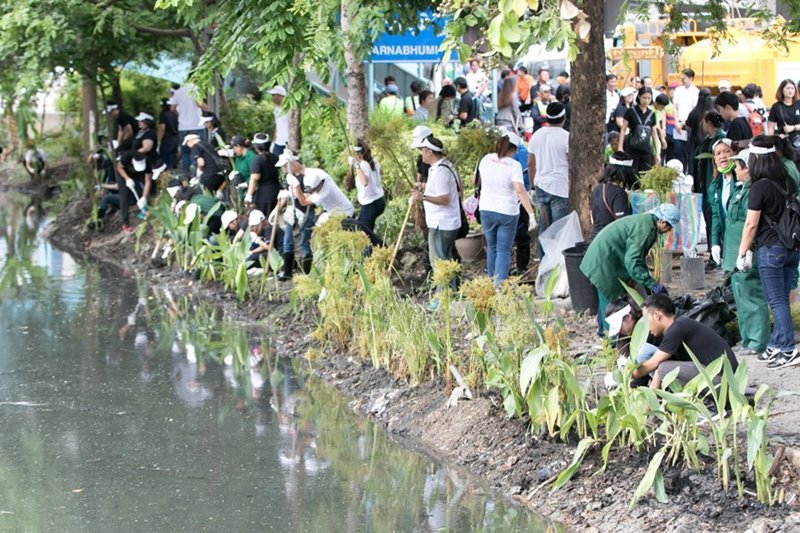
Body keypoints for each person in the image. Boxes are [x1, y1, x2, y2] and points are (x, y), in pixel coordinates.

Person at [737, 135, 800, 368]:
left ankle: (788, 350)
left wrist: (742, 252)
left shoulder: (759, 186)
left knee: (776, 301)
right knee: (781, 299)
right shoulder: (787, 181)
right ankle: (776, 344)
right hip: (791, 247)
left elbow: (751, 224)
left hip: (771, 248)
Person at [580, 203, 678, 335]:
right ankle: (611, 341)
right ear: (662, 222)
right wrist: (652, 284)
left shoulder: (647, 223)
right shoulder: (646, 229)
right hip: (602, 261)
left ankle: (603, 333)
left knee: (606, 299)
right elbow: (632, 262)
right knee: (611, 303)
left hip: (604, 258)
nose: (669, 230)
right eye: (669, 226)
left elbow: (638, 257)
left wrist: (646, 281)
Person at [715, 149, 771, 355]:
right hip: (733, 254)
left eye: (737, 166)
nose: (735, 170)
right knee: (739, 296)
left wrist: (744, 252)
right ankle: (747, 338)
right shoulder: (741, 188)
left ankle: (758, 341)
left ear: (746, 168)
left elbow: (751, 224)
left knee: (752, 297)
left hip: (746, 253)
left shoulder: (753, 190)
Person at [632, 293, 739, 389]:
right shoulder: (679, 325)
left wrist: (627, 375)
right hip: (718, 379)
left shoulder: (678, 328)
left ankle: (707, 405)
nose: (645, 326)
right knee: (651, 355)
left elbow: (654, 363)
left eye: (645, 319)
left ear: (657, 315)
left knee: (664, 368)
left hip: (725, 384)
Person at [475, 130, 537, 285]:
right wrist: (531, 214)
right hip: (507, 212)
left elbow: (475, 181)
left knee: (492, 248)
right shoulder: (514, 165)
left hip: (486, 209)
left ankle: (490, 283)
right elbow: (520, 190)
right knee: (503, 250)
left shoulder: (485, 159)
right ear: (514, 149)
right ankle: (499, 287)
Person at [411, 135, 463, 292]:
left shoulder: (441, 171)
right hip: (442, 221)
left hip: (442, 223)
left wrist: (423, 197)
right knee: (445, 259)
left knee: (439, 261)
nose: (420, 154)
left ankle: (443, 295)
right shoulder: (442, 167)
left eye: (422, 150)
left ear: (429, 151)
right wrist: (424, 186)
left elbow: (444, 198)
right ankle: (451, 291)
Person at [529, 102, 570, 255]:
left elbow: (530, 162)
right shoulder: (566, 137)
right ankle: (557, 262)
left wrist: (532, 187)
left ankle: (543, 260)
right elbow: (571, 163)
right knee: (559, 228)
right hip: (560, 188)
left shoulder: (537, 134)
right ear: (564, 118)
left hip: (540, 187)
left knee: (544, 226)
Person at [695, 111, 727, 250]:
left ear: (708, 123)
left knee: (715, 218)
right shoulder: (708, 138)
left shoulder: (721, 138)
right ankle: (711, 248)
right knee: (709, 218)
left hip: (714, 182)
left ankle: (717, 250)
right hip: (704, 183)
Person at [589, 152, 633, 240]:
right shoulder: (619, 194)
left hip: (594, 239)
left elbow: (592, 217)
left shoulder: (597, 188)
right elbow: (623, 224)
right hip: (610, 242)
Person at [707, 138, 736, 270]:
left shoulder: (742, 179)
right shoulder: (715, 185)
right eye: (718, 153)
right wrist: (715, 243)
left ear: (734, 153)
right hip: (728, 239)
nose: (722, 156)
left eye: (726, 151)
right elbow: (716, 215)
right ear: (714, 159)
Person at [348, 139, 385, 233]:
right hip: (379, 200)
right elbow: (381, 173)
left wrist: (356, 165)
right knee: (367, 229)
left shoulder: (363, 165)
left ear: (357, 154)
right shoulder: (374, 161)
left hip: (370, 204)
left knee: (363, 232)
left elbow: (364, 182)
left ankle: (380, 246)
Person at [619, 87, 658, 176]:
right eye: (644, 98)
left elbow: (654, 134)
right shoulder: (631, 111)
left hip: (646, 148)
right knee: (632, 174)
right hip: (632, 147)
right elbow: (623, 129)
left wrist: (657, 153)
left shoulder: (652, 114)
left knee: (646, 174)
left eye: (649, 98)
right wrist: (620, 147)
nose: (646, 100)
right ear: (639, 97)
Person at [172, 82, 206, 172]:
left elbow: (172, 108)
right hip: (197, 125)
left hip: (183, 127)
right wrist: (207, 107)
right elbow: (200, 104)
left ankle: (187, 175)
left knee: (185, 153)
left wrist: (180, 115)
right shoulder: (196, 89)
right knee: (200, 151)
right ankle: (198, 173)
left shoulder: (178, 92)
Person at [246, 132, 281, 217]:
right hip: (276, 191)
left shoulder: (257, 160)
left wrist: (249, 195)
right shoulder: (275, 157)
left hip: (263, 195)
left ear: (256, 146)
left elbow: (255, 177)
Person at [116, 150, 152, 233]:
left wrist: (144, 197)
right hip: (124, 175)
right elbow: (119, 167)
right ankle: (125, 223)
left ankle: (146, 212)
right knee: (124, 197)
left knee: (143, 192)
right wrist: (127, 179)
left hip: (138, 176)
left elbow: (148, 181)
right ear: (132, 162)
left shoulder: (147, 163)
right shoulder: (127, 156)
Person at [672, 69, 700, 171]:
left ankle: (691, 174)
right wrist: (676, 122)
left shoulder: (696, 92)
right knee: (678, 150)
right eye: (681, 78)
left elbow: (694, 111)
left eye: (684, 79)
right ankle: (680, 173)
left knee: (690, 151)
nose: (682, 81)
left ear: (691, 78)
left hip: (689, 125)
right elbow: (675, 107)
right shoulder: (678, 90)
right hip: (678, 124)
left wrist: (684, 123)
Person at [158, 97, 179, 169]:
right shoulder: (174, 114)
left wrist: (159, 140)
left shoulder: (163, 114)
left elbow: (162, 128)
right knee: (173, 157)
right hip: (175, 137)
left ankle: (168, 174)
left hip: (167, 139)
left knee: (166, 158)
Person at [270, 86, 289, 156]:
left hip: (287, 142)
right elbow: (277, 126)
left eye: (273, 95)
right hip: (278, 142)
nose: (272, 98)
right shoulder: (276, 109)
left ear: (278, 96)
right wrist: (274, 141)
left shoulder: (288, 109)